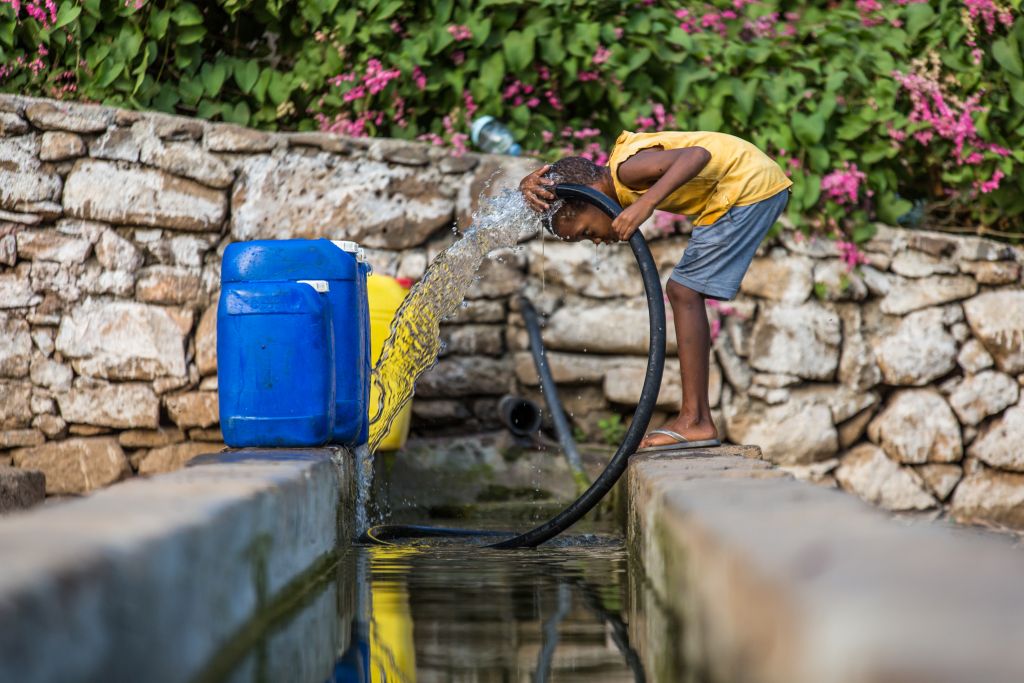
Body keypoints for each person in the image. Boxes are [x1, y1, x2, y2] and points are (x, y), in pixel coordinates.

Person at [519, 130, 791, 453]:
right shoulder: (622, 172)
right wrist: (526, 186)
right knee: (682, 291)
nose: (595, 240)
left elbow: (697, 155)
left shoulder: (624, 170)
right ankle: (696, 418)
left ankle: (696, 421)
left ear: (590, 197)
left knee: (684, 292)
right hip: (746, 185)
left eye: (587, 231)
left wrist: (646, 204)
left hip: (748, 186)